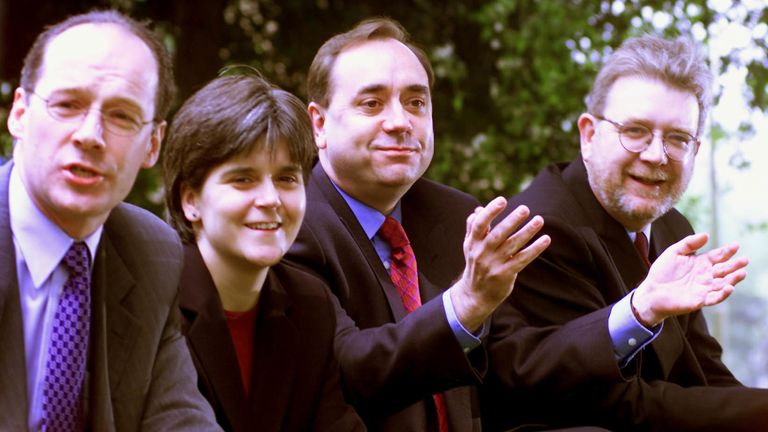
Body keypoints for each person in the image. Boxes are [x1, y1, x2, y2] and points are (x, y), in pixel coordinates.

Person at [481, 35, 768, 431]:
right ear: (589, 135)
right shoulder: (543, 228)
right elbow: (612, 405)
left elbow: (701, 372)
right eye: (635, 130)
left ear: (695, 150)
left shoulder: (671, 226)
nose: (655, 155)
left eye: (677, 138)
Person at [285, 17, 552, 431]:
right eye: (372, 103)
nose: (400, 121)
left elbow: (519, 361)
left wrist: (636, 313)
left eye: (416, 102)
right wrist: (464, 304)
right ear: (319, 124)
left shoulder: (453, 215)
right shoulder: (292, 223)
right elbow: (348, 374)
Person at [0, 10, 220, 431]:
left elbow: (178, 416)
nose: (90, 134)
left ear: (153, 144)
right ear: (20, 115)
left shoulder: (152, 252)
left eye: (121, 116)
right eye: (67, 105)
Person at [162, 72, 366, 431]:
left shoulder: (310, 304)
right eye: (243, 179)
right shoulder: (155, 300)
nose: (271, 200)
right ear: (190, 200)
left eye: (287, 179)